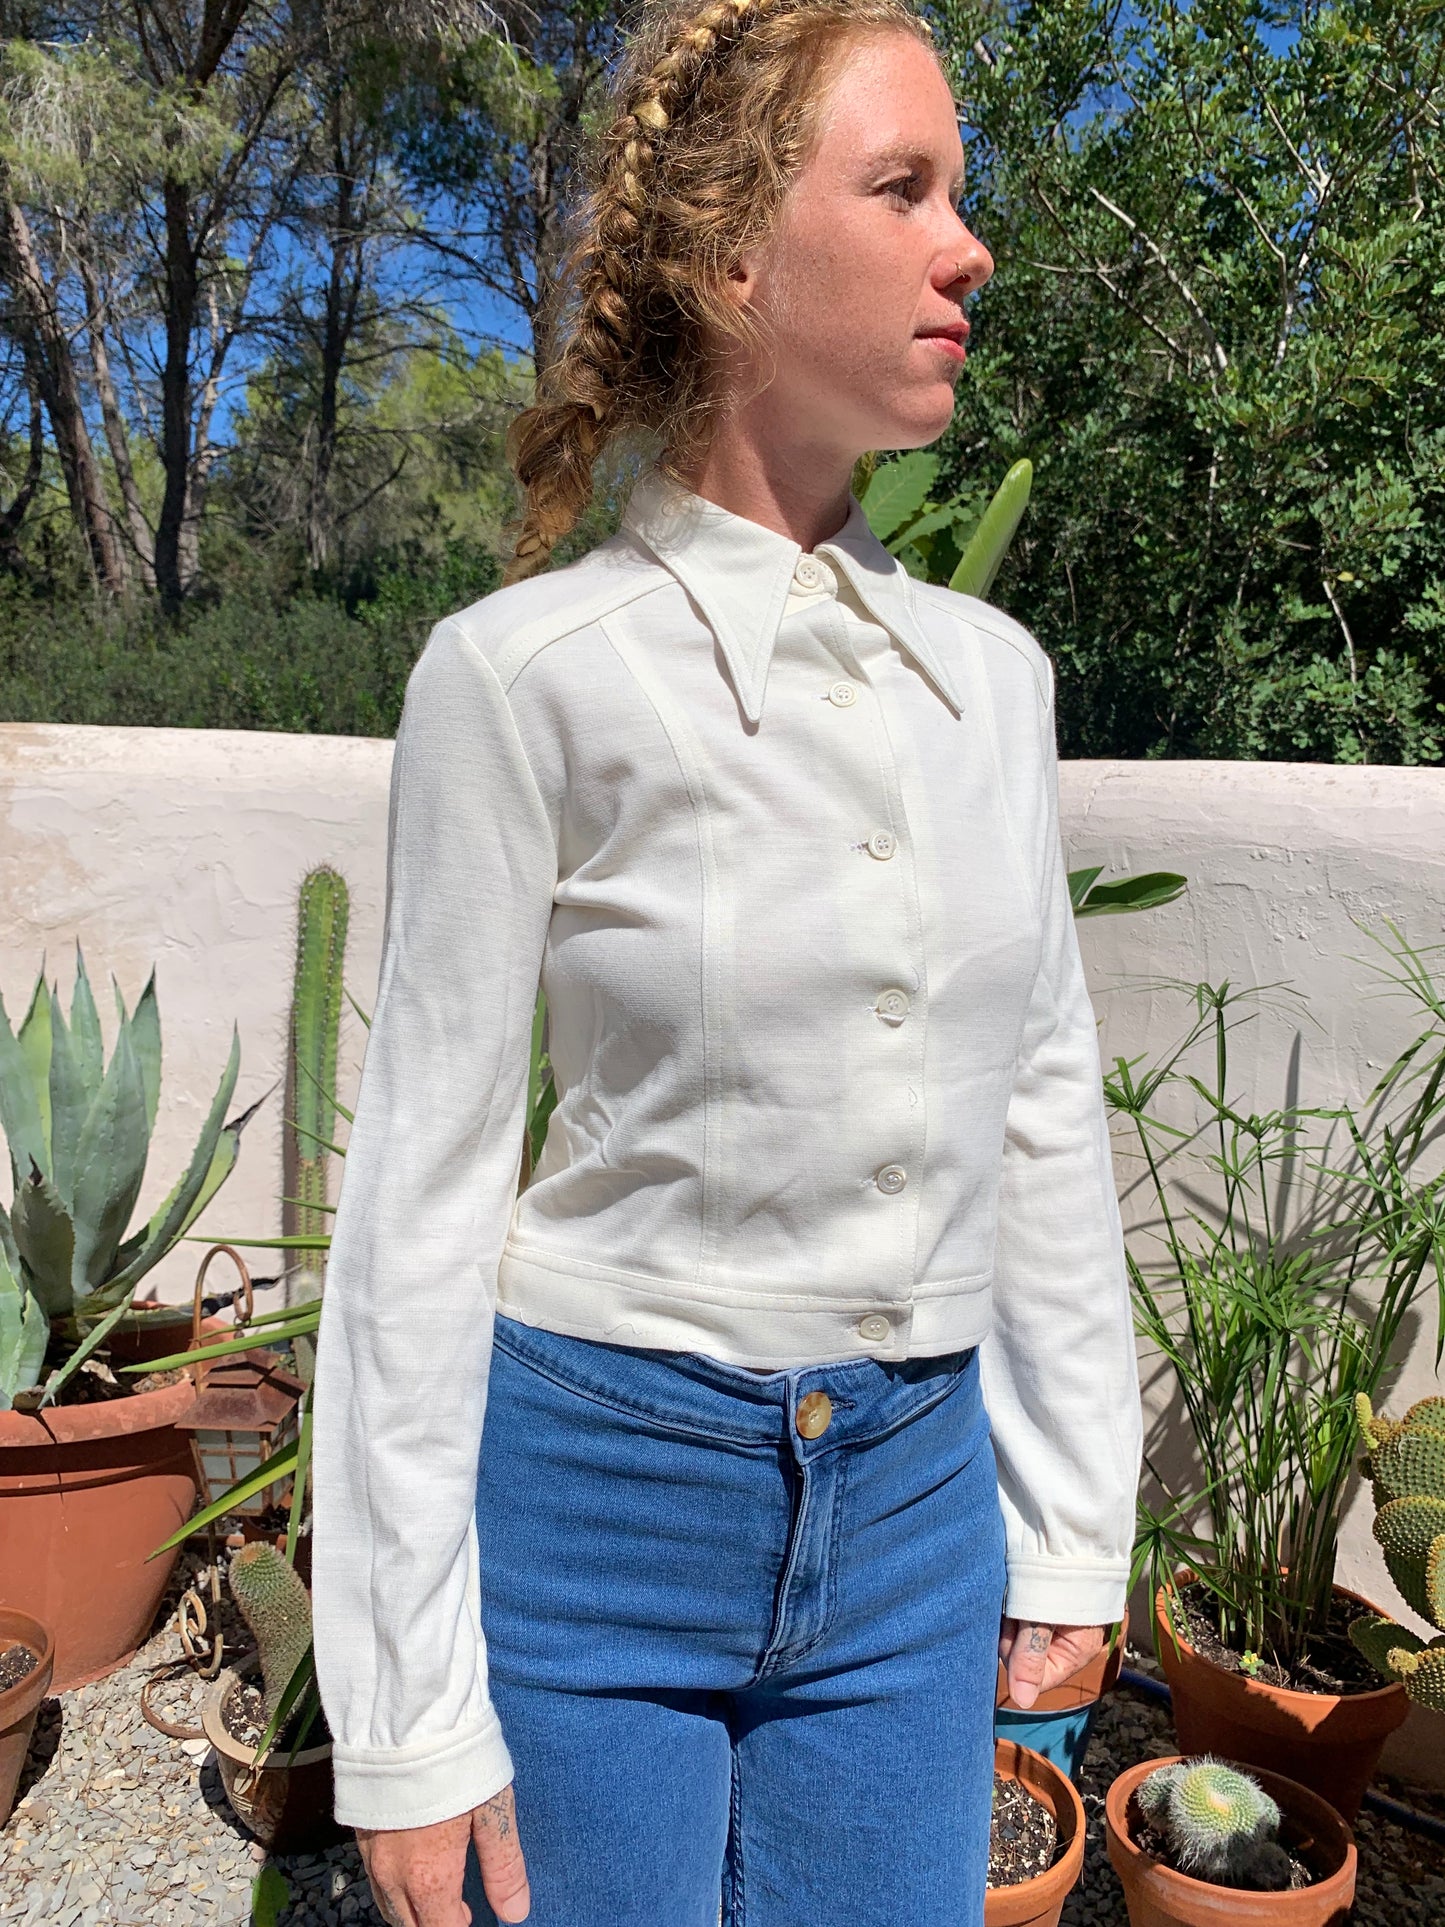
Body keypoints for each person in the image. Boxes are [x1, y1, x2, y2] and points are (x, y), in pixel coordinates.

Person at [308, 1, 1144, 1922]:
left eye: (963, 189)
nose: (970, 245)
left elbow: (1036, 1104)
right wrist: (411, 1722)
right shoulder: (522, 682)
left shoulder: (989, 687)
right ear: (731, 260)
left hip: (921, 1519)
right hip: (595, 1508)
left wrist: (1072, 1528)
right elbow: (420, 1209)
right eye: (904, 187)